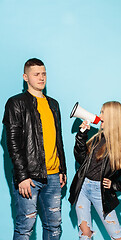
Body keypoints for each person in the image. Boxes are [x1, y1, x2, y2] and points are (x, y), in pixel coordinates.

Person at [3, 58, 67, 240]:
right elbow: (12, 144)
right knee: (25, 227)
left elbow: (58, 139)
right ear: (26, 77)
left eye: (44, 73)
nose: (41, 78)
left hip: (54, 176)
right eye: (36, 74)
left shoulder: (53, 104)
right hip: (29, 177)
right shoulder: (16, 103)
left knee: (54, 227)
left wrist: (62, 169)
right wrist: (22, 176)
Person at [69, 101, 121, 240]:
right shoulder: (98, 138)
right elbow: (81, 160)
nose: (99, 115)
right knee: (84, 235)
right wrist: (81, 136)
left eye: (103, 112)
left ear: (113, 116)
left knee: (117, 236)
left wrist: (117, 185)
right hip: (83, 187)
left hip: (101, 192)